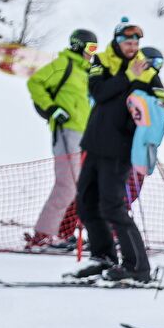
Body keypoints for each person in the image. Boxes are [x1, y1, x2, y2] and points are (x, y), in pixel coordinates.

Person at [68, 18, 164, 283]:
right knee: (86, 202)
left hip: (121, 149)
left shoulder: (147, 71)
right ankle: (104, 256)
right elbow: (99, 92)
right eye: (127, 42)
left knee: (113, 206)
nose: (132, 46)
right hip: (94, 143)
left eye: (136, 42)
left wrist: (148, 106)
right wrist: (127, 77)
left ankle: (137, 267)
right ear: (117, 42)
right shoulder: (101, 62)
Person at [24, 28, 96, 252]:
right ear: (78, 45)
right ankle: (43, 235)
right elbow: (35, 82)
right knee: (66, 186)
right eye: (91, 48)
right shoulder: (64, 64)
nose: (92, 53)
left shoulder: (86, 72)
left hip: (84, 135)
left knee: (76, 186)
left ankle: (59, 233)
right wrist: (53, 108)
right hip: (66, 131)